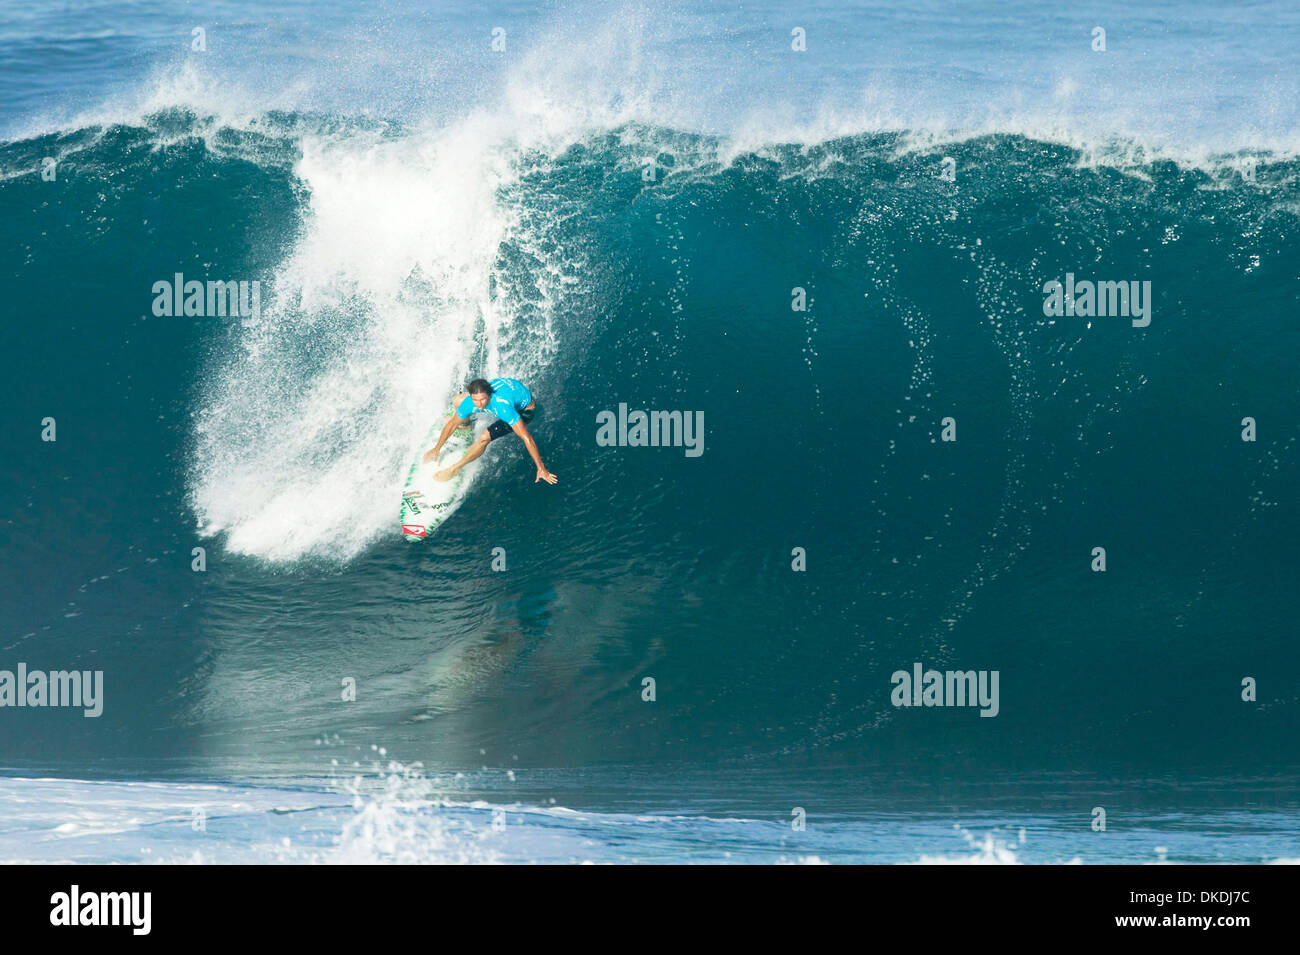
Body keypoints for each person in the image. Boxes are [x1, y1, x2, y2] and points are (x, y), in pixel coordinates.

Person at [423, 377, 558, 484]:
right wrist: (437, 449)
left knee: (483, 438)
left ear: (489, 395)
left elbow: (527, 438)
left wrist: (541, 468)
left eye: (482, 400)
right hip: (512, 392)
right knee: (458, 400)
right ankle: (465, 425)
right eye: (476, 400)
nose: (479, 404)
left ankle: (455, 469)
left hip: (524, 410)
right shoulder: (471, 401)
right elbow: (451, 425)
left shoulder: (503, 408)